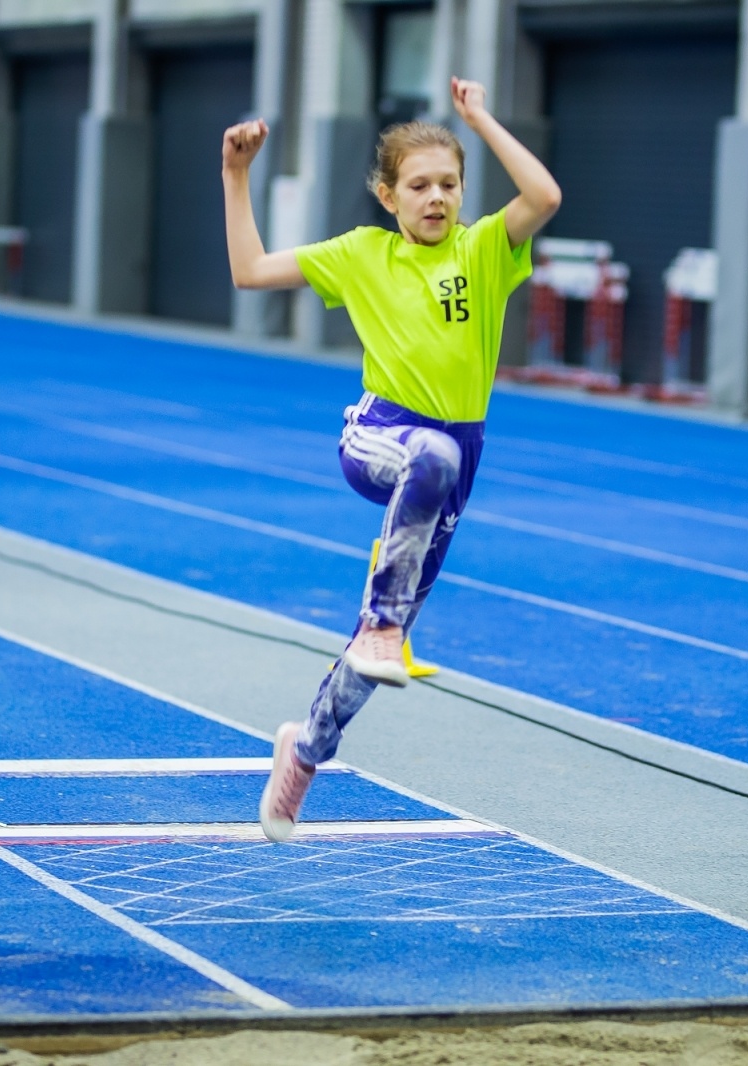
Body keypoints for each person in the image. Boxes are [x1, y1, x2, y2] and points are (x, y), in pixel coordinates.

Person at [221, 78, 561, 841]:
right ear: (387, 194)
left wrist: (479, 116)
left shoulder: (484, 251)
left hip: (456, 460)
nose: (435, 197)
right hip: (381, 435)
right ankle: (381, 623)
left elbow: (543, 194)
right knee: (428, 461)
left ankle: (305, 752)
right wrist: (236, 176)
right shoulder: (361, 255)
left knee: (385, 644)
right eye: (418, 185)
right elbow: (250, 273)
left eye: (448, 184)